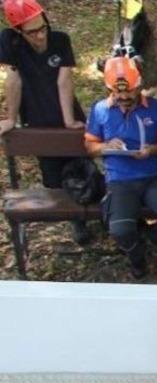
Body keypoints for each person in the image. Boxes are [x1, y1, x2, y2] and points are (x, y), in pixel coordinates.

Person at [84, 56, 157, 279]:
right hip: (120, 180)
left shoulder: (155, 108)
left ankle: (151, 239)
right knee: (120, 230)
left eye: (129, 92)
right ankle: (137, 257)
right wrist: (105, 146)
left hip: (153, 177)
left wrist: (151, 150)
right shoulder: (100, 110)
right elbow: (90, 146)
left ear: (139, 86)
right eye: (118, 92)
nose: (124, 97)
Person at [0, 0, 90, 245]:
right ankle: (73, 218)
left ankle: (87, 213)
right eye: (32, 32)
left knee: (81, 166)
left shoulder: (60, 39)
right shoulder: (10, 41)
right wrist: (10, 117)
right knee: (53, 174)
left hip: (63, 109)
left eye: (43, 28)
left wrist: (69, 120)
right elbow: (13, 81)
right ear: (19, 31)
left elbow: (64, 81)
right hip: (36, 114)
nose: (40, 35)